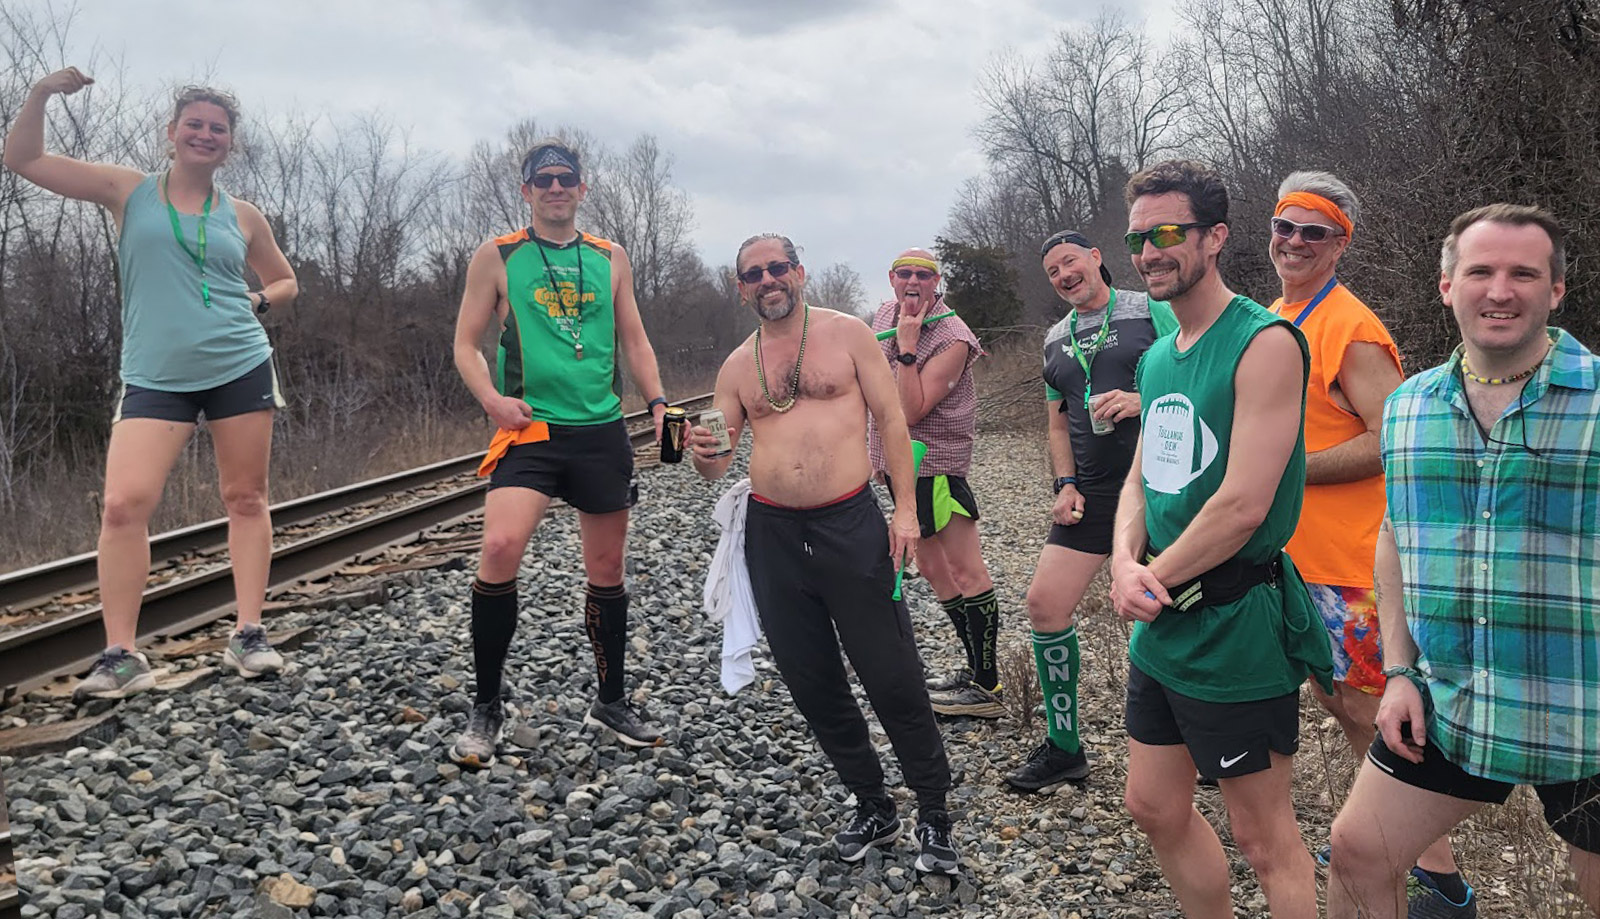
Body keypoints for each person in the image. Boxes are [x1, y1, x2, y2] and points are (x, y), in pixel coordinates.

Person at [1327, 204, 1600, 919]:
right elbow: (1396, 538)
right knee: (1358, 853)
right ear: (1447, 286)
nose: (1500, 290)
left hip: (1584, 713)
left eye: (1523, 273)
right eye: (1480, 270)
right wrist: (1398, 670)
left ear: (1557, 290)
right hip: (1454, 705)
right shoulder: (1410, 407)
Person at [4, 70, 299, 698]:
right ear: (171, 134)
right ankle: (121, 655)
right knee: (122, 506)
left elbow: (284, 280)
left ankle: (248, 634)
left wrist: (260, 303)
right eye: (194, 124)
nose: (205, 134)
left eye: (217, 129)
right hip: (154, 375)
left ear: (230, 145)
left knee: (245, 498)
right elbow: (22, 158)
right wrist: (40, 95)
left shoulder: (243, 215)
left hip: (240, 364)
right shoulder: (128, 191)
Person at [688, 233, 960, 875]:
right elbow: (720, 459)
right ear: (741, 286)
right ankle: (872, 803)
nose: (768, 279)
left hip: (850, 524)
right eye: (754, 273)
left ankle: (934, 813)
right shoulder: (735, 367)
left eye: (778, 267)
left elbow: (893, 421)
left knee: (891, 673)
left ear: (799, 272)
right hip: (774, 537)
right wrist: (706, 455)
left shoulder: (848, 336)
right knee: (813, 682)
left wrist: (906, 510)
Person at [1108, 160, 1332, 919]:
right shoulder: (1156, 356)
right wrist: (1120, 559)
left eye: (1168, 233)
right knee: (1153, 805)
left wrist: (1151, 575)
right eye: (1139, 238)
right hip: (1162, 620)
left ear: (1216, 237)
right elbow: (1141, 477)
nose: (1149, 252)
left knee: (1263, 838)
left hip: (1236, 626)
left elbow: (1242, 504)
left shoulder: (1265, 342)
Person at [1267, 171, 1471, 915]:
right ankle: (1381, 839)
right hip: (1301, 558)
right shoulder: (1278, 315)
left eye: (1312, 231)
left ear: (1339, 244)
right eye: (1285, 226)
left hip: (1354, 563)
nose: (1293, 242)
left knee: (1378, 714)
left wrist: (1288, 473)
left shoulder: (1349, 326)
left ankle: (1441, 880)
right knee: (1344, 707)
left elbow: (1392, 437)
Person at [448, 140, 669, 765]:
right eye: (541, 179)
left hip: (600, 431)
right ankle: (486, 706)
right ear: (526, 191)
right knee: (498, 548)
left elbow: (636, 341)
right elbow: (465, 345)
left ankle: (611, 698)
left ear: (581, 188)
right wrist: (492, 400)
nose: (553, 187)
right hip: (530, 428)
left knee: (606, 569)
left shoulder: (610, 256)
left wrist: (658, 405)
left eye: (564, 178)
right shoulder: (498, 255)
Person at [1004, 230, 1175, 791]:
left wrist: (1141, 400)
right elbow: (1057, 421)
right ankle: (1064, 747)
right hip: (1092, 496)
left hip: (1157, 490)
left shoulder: (1150, 309)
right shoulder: (1055, 339)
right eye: (1053, 271)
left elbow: (1194, 380)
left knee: (1164, 621)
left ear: (1096, 258)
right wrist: (1065, 482)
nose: (1063, 275)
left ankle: (1190, 743)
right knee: (1044, 604)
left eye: (1070, 262)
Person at [864, 248, 1002, 718]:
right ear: (891, 278)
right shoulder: (883, 313)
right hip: (897, 466)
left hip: (935, 465)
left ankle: (989, 686)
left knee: (965, 569)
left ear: (936, 281)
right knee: (931, 568)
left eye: (923, 275)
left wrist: (906, 348)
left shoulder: (953, 335)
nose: (912, 283)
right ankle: (972, 670)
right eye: (904, 274)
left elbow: (909, 410)